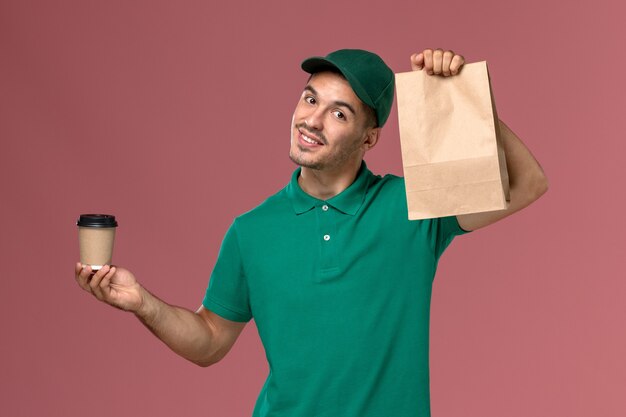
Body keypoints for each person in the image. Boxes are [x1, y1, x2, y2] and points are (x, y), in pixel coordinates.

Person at [75, 48, 548, 417]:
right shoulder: (251, 231)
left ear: (369, 138)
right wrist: (143, 304)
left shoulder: (413, 207)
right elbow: (210, 341)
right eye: (310, 98)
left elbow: (529, 184)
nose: (312, 121)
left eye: (339, 113)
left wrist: (466, 96)